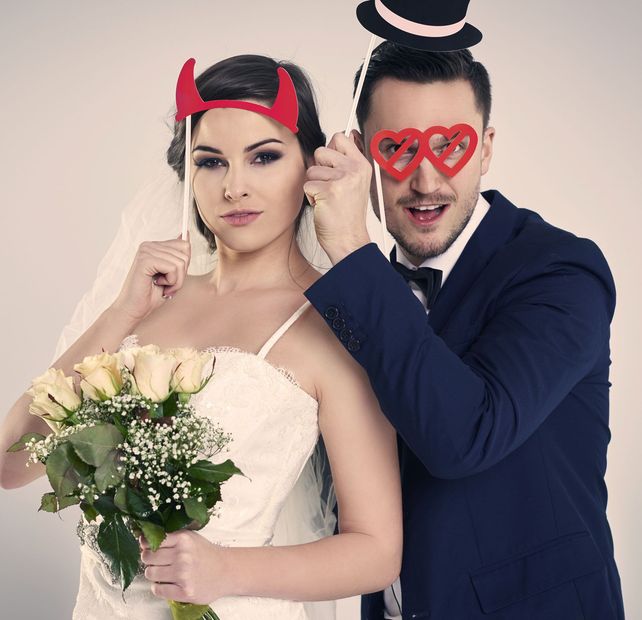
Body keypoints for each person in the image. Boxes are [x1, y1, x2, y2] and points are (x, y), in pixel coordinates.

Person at [0, 54, 402, 620]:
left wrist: (226, 570)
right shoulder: (145, 304)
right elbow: (11, 464)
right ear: (188, 175)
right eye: (211, 162)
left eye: (263, 157)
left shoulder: (333, 325)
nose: (235, 187)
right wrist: (119, 313)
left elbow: (377, 553)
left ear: (309, 166)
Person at [303, 42, 624, 619]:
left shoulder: (561, 272)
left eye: (451, 147)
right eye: (398, 149)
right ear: (359, 154)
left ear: (487, 148)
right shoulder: (355, 294)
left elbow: (463, 438)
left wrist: (353, 248)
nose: (427, 180)